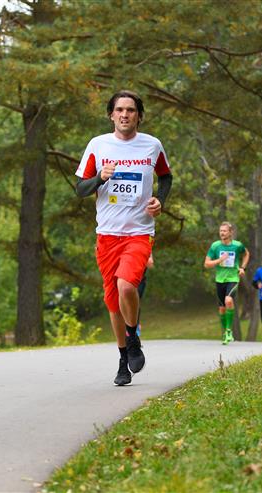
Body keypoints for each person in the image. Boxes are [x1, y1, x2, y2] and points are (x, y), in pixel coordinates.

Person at [75, 90, 172, 386]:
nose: (125, 114)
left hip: (139, 232)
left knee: (126, 284)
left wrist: (160, 200)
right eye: (119, 110)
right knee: (113, 302)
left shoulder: (152, 145)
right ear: (111, 115)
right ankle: (122, 359)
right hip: (107, 235)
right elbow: (80, 189)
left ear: (139, 116)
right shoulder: (98, 145)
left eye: (131, 110)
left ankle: (132, 336)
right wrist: (99, 178)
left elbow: (166, 176)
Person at [204, 222, 249, 345]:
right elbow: (206, 264)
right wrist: (219, 260)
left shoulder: (237, 245)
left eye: (224, 231)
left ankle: (229, 331)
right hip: (220, 279)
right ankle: (225, 332)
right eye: (220, 231)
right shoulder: (215, 246)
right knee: (222, 308)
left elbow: (246, 254)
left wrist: (242, 268)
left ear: (231, 232)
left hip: (233, 278)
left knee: (228, 300)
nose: (222, 233)